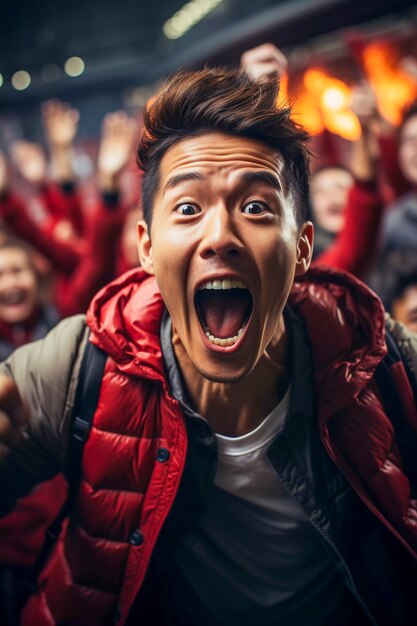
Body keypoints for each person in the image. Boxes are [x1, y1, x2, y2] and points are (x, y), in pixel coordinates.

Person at [0, 67, 416, 626]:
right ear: (146, 247)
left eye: (256, 208)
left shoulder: (377, 360)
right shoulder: (76, 368)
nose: (219, 236)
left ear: (300, 250)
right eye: (189, 208)